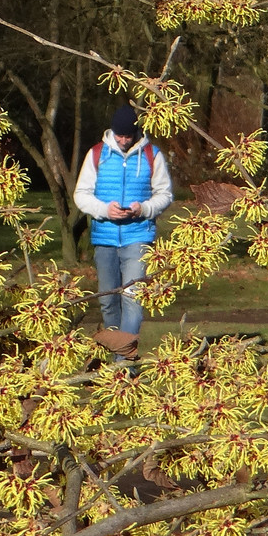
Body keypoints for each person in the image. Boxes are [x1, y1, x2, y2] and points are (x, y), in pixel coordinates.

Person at [73, 105, 172, 353]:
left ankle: (125, 362)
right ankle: (113, 349)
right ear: (113, 131)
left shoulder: (152, 154)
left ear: (136, 132)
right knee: (107, 300)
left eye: (128, 135)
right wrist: (106, 210)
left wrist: (144, 209)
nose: (124, 140)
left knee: (133, 298)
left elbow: (165, 194)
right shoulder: (96, 154)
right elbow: (81, 195)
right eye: (120, 135)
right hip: (104, 238)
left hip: (138, 237)